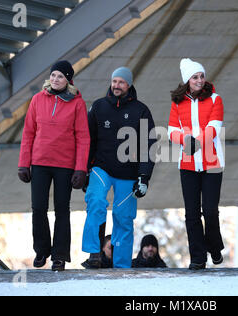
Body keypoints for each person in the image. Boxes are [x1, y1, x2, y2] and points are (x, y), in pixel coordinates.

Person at [18, 60, 90, 271]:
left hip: (65, 165)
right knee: (38, 208)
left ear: (68, 79)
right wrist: (24, 163)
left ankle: (59, 255)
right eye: (53, 75)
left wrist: (80, 169)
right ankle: (41, 251)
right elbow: (28, 133)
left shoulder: (77, 103)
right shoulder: (37, 100)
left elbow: (83, 138)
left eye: (60, 76)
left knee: (62, 209)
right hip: (39, 162)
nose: (55, 79)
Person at [82, 67, 156, 268]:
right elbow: (87, 140)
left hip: (129, 173)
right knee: (96, 202)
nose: (116, 85)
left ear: (129, 85)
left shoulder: (141, 110)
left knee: (123, 218)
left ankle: (122, 266)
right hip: (101, 168)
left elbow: (148, 145)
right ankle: (93, 252)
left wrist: (144, 176)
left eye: (121, 82)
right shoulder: (98, 107)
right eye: (114, 81)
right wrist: (83, 170)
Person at [168, 58, 225, 270]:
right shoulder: (177, 102)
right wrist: (184, 140)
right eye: (195, 77)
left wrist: (197, 142)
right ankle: (198, 257)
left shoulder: (215, 99)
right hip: (187, 164)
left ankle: (215, 247)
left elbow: (214, 126)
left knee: (210, 210)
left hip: (213, 163)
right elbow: (171, 130)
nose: (200, 80)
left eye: (201, 76)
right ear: (187, 81)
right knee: (192, 213)